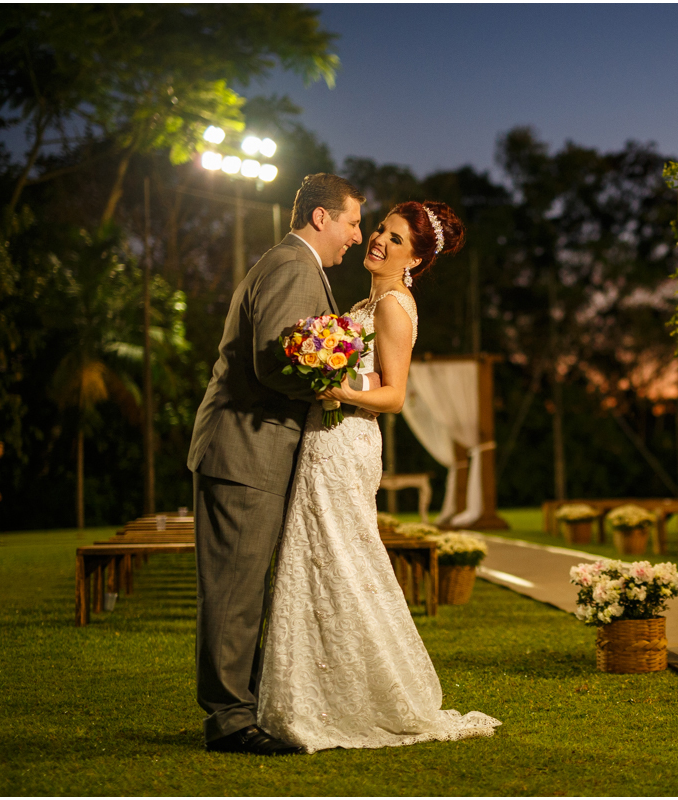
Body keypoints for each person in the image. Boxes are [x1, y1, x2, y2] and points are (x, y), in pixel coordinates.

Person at [256, 201, 501, 752]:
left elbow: (394, 394)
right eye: (380, 231)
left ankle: (362, 696)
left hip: (348, 442)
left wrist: (336, 388)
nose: (378, 242)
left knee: (344, 555)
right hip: (329, 435)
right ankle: (313, 689)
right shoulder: (369, 299)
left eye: (394, 239)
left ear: (414, 258)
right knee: (318, 554)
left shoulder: (392, 304)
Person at [186, 173, 366, 756]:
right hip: (245, 449)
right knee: (234, 589)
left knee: (247, 587)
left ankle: (248, 705)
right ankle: (230, 720)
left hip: (256, 449)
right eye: (352, 222)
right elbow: (273, 364)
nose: (357, 237)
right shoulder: (292, 265)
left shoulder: (295, 263)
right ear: (321, 217)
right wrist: (333, 385)